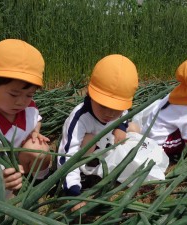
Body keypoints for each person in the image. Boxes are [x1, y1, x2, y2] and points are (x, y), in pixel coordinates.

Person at [0, 39, 51, 217]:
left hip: (18, 167)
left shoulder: (29, 108)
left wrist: (35, 132)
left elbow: (36, 119)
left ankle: (38, 185)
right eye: (14, 94)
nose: (21, 101)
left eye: (29, 94)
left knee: (40, 149)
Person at [58, 54, 139, 197]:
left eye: (116, 108)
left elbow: (125, 113)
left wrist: (120, 127)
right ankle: (86, 174)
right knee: (89, 141)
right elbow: (67, 155)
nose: (109, 113)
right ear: (90, 93)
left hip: (107, 146)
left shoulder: (119, 111)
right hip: (88, 155)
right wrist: (73, 191)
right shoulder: (79, 118)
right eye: (103, 106)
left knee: (134, 128)